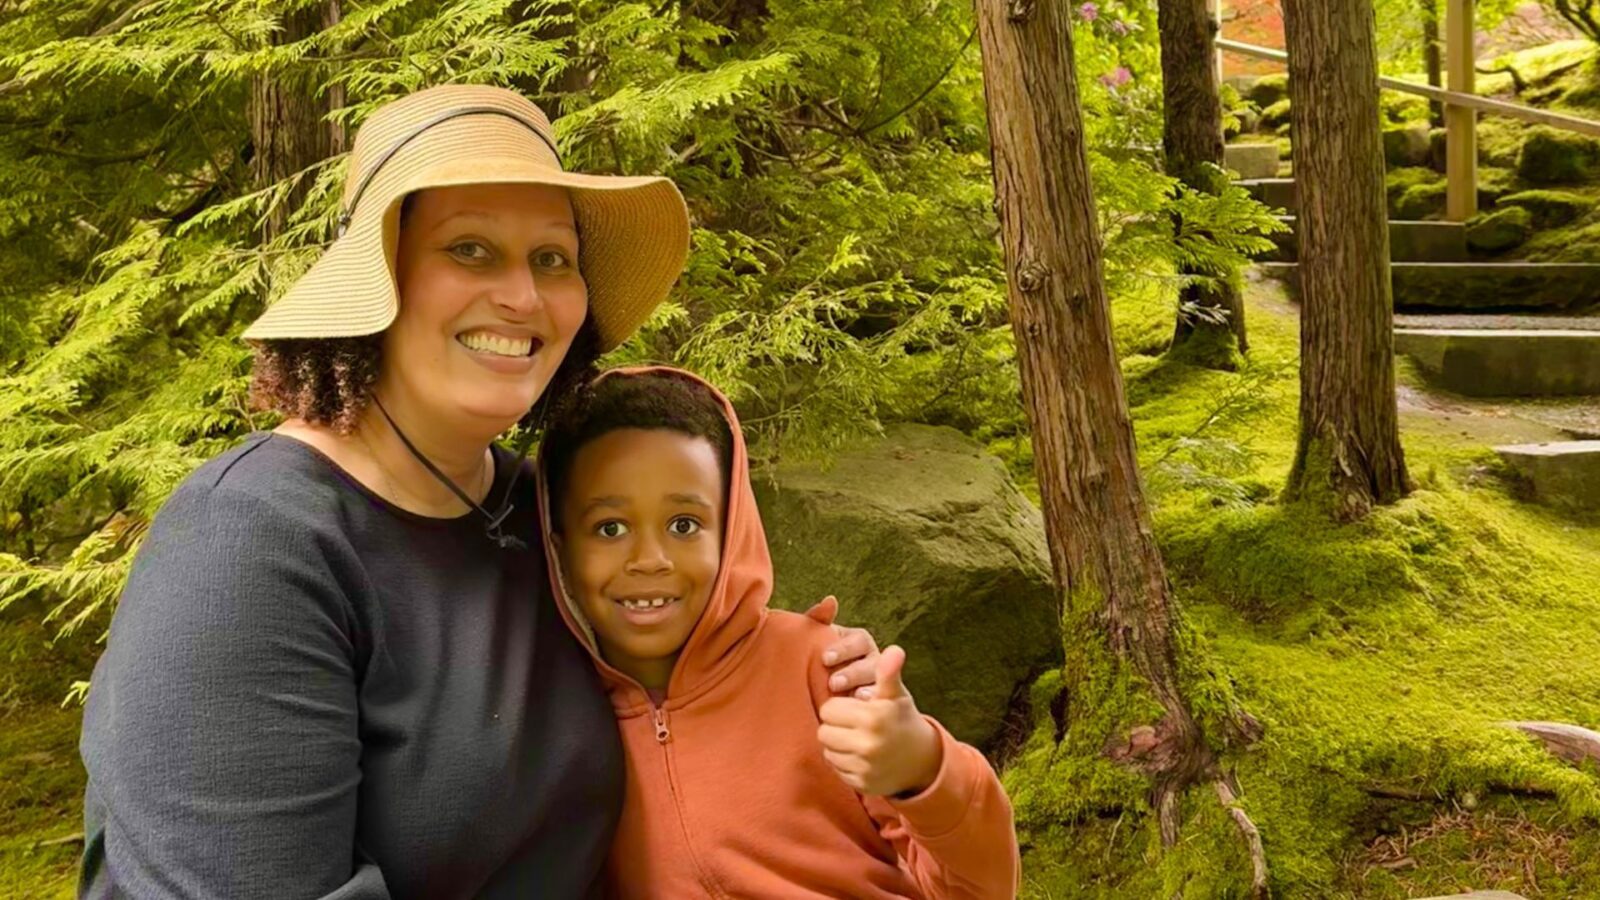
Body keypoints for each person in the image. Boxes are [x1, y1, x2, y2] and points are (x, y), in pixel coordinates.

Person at [77, 84, 881, 899]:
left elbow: (689, 691)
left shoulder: (550, 517)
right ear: (380, 280)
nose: (524, 298)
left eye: (552, 259)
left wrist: (819, 675)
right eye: (469, 250)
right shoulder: (248, 545)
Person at [540, 366, 1021, 898]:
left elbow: (980, 887)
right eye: (611, 528)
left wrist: (924, 768)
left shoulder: (823, 669)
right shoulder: (563, 718)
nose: (650, 560)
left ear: (732, 528)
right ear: (560, 546)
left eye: (684, 525)